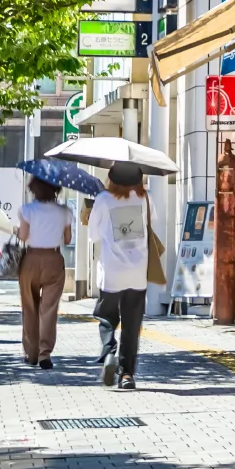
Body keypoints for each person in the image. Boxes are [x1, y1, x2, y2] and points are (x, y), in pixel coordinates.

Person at [85, 162, 150, 389]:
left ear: (112, 179)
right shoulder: (146, 199)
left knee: (106, 315)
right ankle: (126, 375)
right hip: (138, 272)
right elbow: (153, 225)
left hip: (112, 271)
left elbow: (93, 236)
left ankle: (110, 351)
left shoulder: (104, 200)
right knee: (132, 326)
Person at [16, 178, 74, 368]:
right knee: (48, 309)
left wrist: (18, 231)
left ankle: (31, 353)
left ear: (33, 189)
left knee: (29, 307)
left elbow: (23, 236)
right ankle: (44, 354)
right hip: (54, 260)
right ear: (56, 189)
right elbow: (67, 239)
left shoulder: (27, 210)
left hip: (31, 259)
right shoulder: (65, 211)